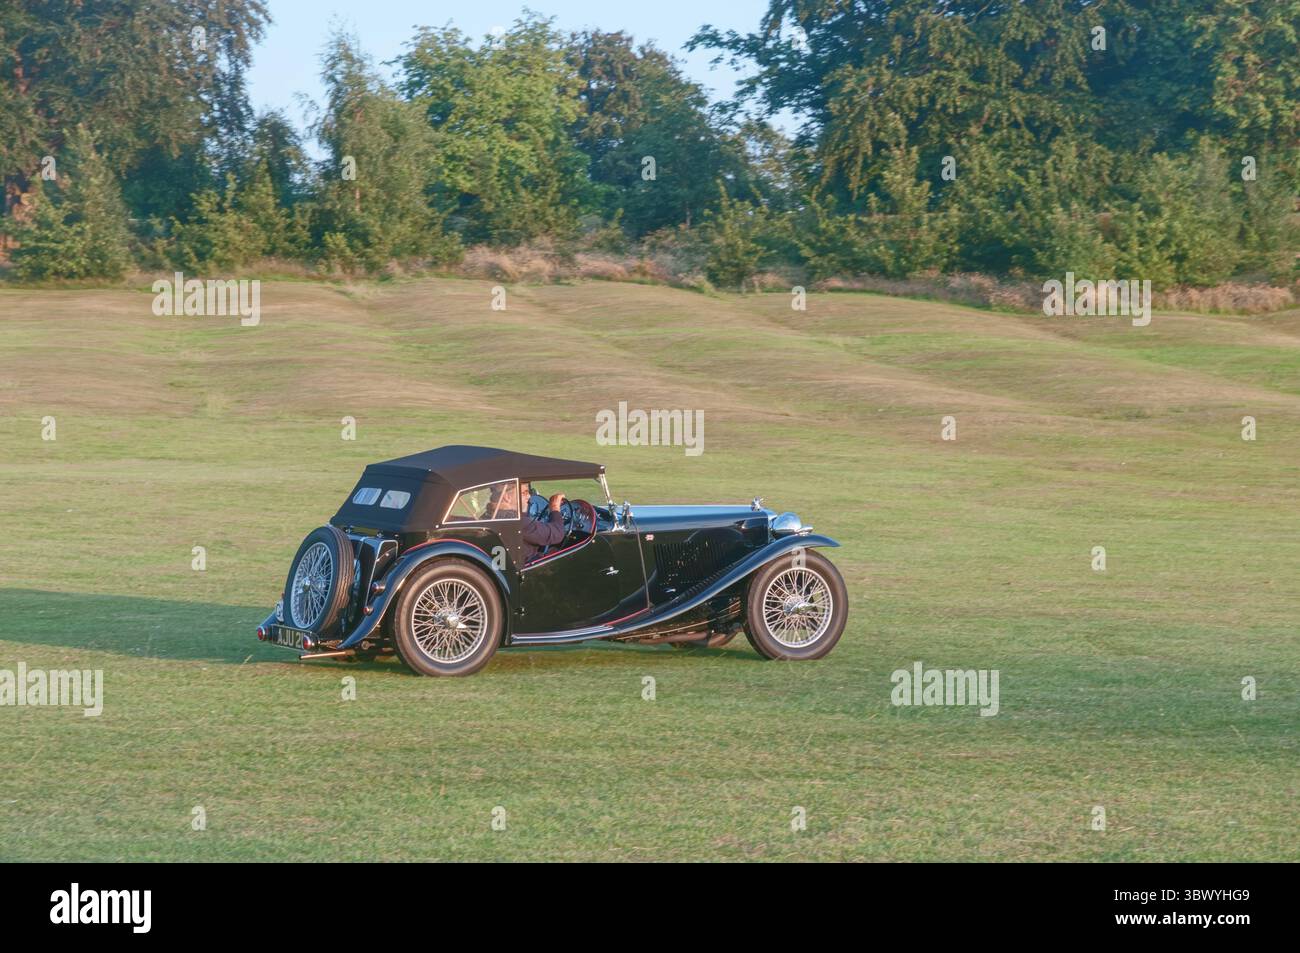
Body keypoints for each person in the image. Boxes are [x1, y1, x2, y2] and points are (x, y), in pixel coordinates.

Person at [519, 480, 566, 563]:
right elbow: (558, 533)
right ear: (506, 497)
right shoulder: (520, 523)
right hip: (528, 568)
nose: (529, 496)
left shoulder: (495, 516)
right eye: (524, 493)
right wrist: (554, 508)